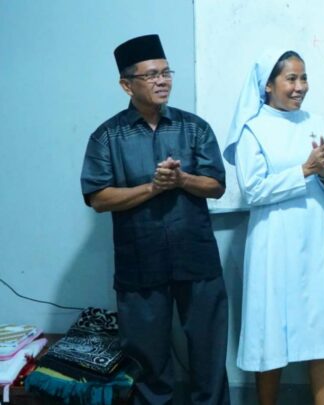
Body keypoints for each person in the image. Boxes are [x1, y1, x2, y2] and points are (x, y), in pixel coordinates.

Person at [80, 34, 230, 405]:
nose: (162, 81)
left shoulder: (194, 128)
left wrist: (181, 180)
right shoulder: (107, 136)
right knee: (147, 362)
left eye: (166, 72)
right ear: (126, 85)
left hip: (196, 257)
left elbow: (216, 186)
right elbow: (98, 198)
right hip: (140, 262)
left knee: (209, 353)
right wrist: (153, 187)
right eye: (151, 75)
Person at [223, 49, 324, 405]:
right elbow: (253, 190)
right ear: (268, 86)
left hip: (318, 234)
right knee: (270, 330)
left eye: (304, 78)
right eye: (291, 79)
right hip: (273, 240)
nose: (300, 86)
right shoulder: (253, 129)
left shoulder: (316, 121)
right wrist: (305, 169)